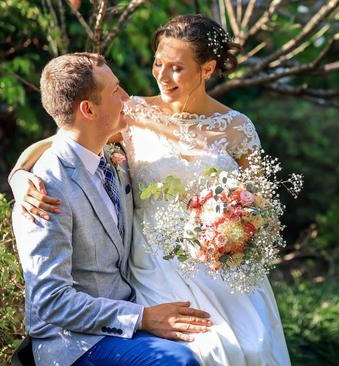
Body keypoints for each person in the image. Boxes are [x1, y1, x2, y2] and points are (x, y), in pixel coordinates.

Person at [10, 15, 291, 365]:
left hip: (221, 266)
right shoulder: (131, 113)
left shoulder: (237, 128)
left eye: (176, 68)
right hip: (153, 266)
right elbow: (62, 141)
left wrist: (237, 230)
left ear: (207, 68)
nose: (161, 75)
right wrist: (19, 178)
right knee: (206, 351)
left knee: (252, 346)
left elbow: (264, 208)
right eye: (159, 63)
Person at [12, 52, 213, 366]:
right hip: (75, 342)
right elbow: (50, 301)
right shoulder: (44, 188)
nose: (127, 98)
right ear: (88, 109)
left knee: (216, 344)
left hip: (136, 306)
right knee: (179, 361)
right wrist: (142, 318)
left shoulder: (112, 155)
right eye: (116, 91)